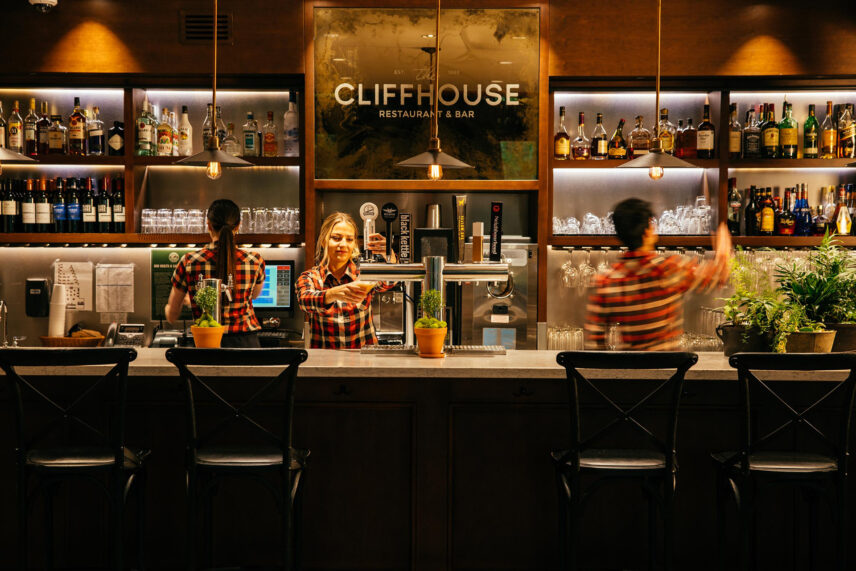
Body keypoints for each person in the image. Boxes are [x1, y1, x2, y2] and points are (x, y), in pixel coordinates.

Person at [585, 198, 731, 351]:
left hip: (629, 365)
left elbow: (594, 341)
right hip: (668, 365)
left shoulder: (607, 281)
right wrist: (723, 252)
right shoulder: (668, 270)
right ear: (648, 230)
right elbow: (718, 275)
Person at [164, 199, 266, 348]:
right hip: (246, 344)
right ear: (238, 226)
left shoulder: (189, 261)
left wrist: (180, 304)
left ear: (208, 225)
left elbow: (172, 315)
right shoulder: (255, 260)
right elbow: (255, 295)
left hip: (206, 342)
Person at [296, 211, 395, 349]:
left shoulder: (364, 275)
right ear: (324, 241)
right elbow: (305, 301)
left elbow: (389, 282)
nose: (343, 244)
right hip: (324, 359)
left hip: (364, 359)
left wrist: (390, 256)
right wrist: (333, 294)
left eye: (349, 239)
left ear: (354, 244)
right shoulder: (310, 277)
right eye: (336, 238)